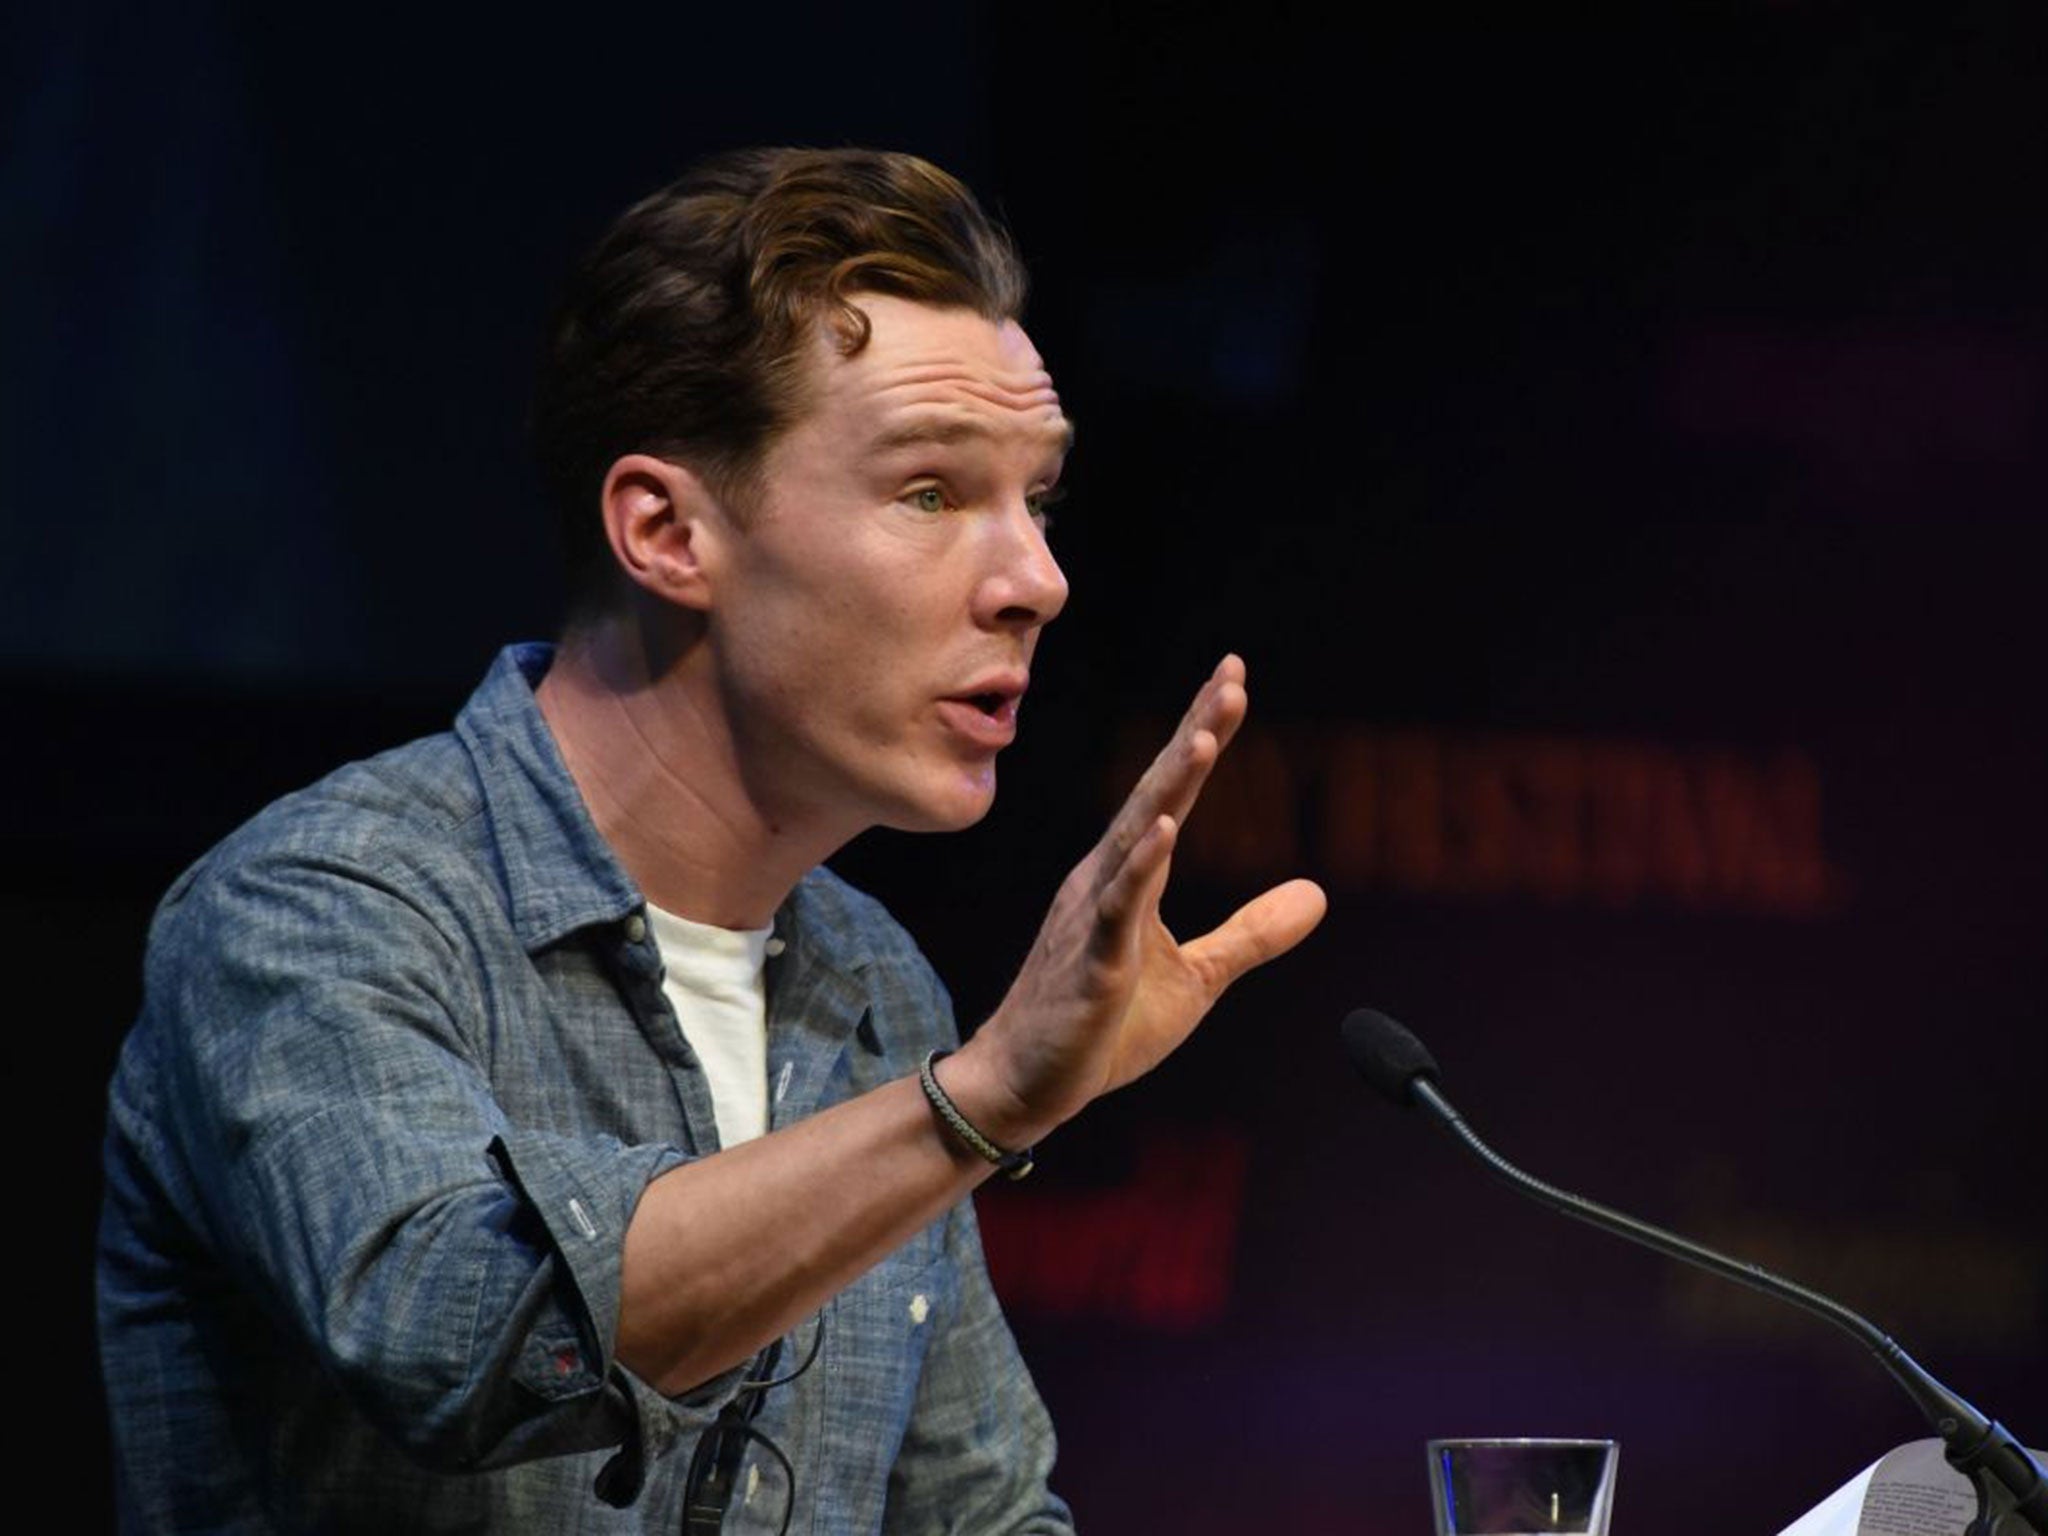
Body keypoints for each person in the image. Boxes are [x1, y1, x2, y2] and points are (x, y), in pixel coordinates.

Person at [97, 146, 1326, 1533]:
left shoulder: (871, 982)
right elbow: (463, 1342)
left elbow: (981, 1517)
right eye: (931, 493)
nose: (1037, 578)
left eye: (1034, 500)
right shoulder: (321, 906)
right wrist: (975, 1104)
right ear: (666, 530)